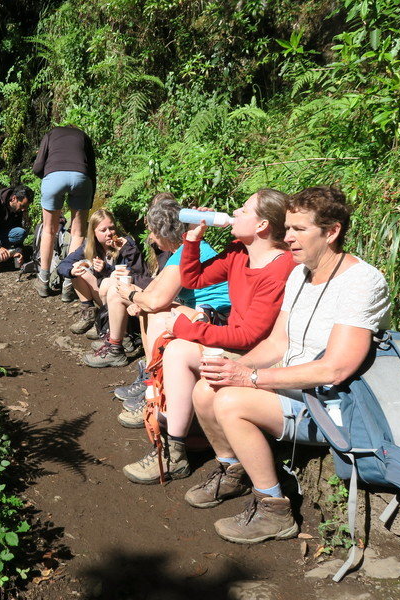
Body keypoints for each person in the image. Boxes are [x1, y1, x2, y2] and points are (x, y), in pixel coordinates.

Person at [184, 186, 390, 545]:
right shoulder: (299, 274)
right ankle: (231, 471)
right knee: (206, 388)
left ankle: (274, 510)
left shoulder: (361, 282)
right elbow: (278, 343)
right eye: (288, 228)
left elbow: (335, 370)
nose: (288, 237)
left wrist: (249, 377)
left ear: (332, 232)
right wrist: (233, 369)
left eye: (299, 229)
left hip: (329, 405)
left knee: (232, 401)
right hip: (292, 388)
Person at [120, 189, 296, 483]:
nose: (235, 212)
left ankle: (183, 443)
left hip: (259, 355)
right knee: (176, 349)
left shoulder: (280, 268)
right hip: (237, 343)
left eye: (244, 210)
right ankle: (174, 451)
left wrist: (186, 329)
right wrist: (193, 238)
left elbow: (249, 335)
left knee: (176, 336)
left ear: (262, 225)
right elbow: (194, 278)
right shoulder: (239, 251)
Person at [94, 193, 229, 376]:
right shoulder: (182, 251)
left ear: (163, 233)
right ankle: (149, 375)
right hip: (208, 313)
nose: (150, 236)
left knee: (154, 310)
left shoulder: (185, 255)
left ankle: (152, 379)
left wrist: (133, 296)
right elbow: (154, 287)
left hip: (218, 318)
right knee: (145, 306)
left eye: (152, 231)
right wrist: (138, 300)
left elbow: (157, 301)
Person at [57, 209, 147, 366]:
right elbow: (63, 265)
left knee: (109, 280)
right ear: (94, 232)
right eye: (103, 230)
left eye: (111, 228)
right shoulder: (89, 245)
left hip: (123, 297)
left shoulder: (125, 243)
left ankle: (119, 333)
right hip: (104, 296)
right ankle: (91, 316)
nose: (109, 233)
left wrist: (106, 269)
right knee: (78, 268)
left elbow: (139, 275)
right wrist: (71, 271)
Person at [32, 125, 96, 298]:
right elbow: (92, 170)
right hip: (81, 177)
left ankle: (43, 280)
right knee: (77, 232)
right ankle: (69, 283)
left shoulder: (51, 133)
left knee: (48, 229)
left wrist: (50, 177)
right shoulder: (83, 135)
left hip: (54, 176)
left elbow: (38, 166)